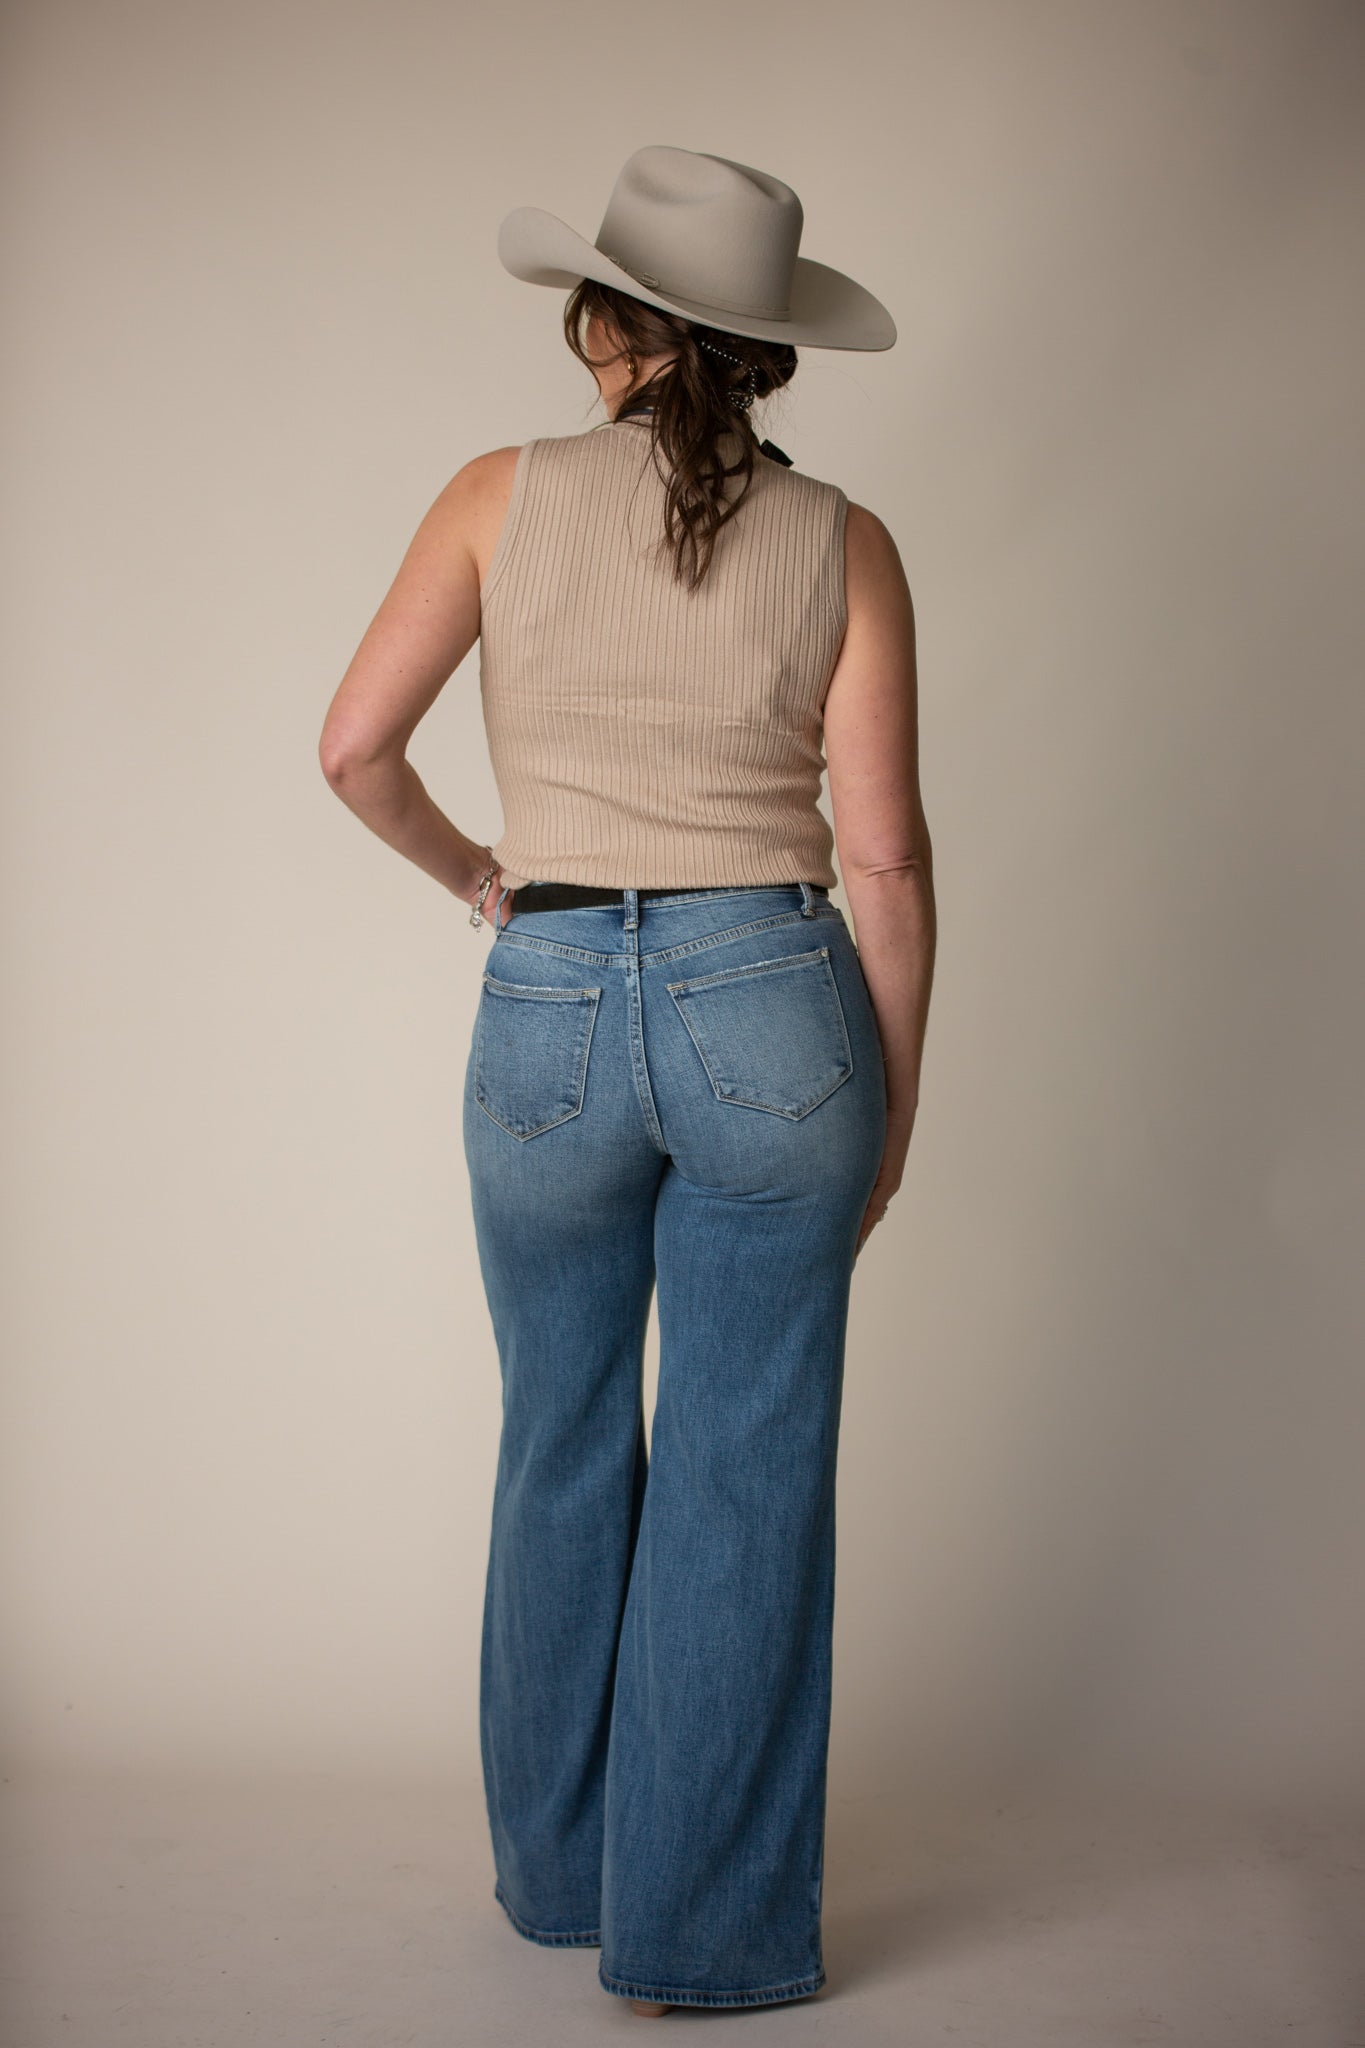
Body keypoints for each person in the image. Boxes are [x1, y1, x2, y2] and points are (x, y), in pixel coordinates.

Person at [318, 145, 936, 2018]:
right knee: (744, 1470)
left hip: (551, 1003)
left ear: (602, 321)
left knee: (560, 1436)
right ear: (764, 350)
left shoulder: (493, 496)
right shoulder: (843, 540)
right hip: (776, 1007)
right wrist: (891, 1107)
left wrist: (480, 882)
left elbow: (353, 749)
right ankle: (699, 1940)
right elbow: (884, 857)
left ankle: (560, 1879)